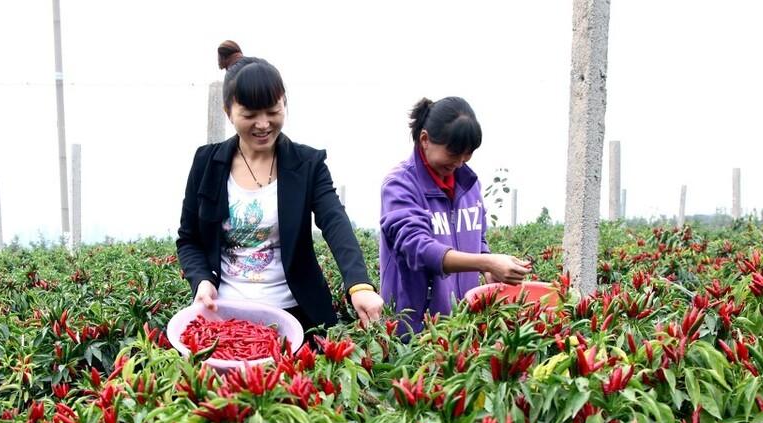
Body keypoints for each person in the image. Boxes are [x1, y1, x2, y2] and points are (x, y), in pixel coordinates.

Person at [177, 41, 383, 334]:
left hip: (296, 316)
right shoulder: (206, 164)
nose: (263, 124)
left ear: (284, 102)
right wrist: (202, 280)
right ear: (228, 111)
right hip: (225, 317)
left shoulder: (307, 164)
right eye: (249, 115)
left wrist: (359, 284)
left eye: (272, 111)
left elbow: (335, 222)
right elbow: (189, 239)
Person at [379, 97, 532, 333]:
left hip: (461, 325)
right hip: (414, 332)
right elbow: (417, 248)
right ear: (425, 139)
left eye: (467, 154)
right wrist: (486, 262)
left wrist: (487, 266)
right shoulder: (400, 185)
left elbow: (477, 239)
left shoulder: (468, 186)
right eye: (453, 153)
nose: (460, 163)